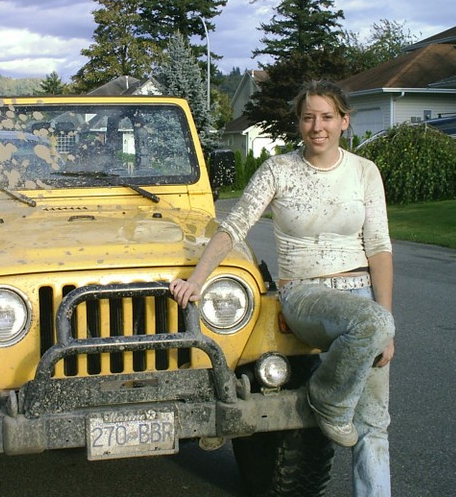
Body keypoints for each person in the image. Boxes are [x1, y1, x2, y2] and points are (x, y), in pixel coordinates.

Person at [169, 80, 396, 497]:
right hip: (305, 295)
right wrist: (196, 279)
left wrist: (386, 328)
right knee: (373, 325)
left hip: (362, 298)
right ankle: (326, 398)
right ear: (298, 123)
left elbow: (379, 248)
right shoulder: (279, 170)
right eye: (308, 117)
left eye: (327, 116)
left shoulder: (365, 172)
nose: (318, 126)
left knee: (373, 423)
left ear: (344, 121)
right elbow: (234, 226)